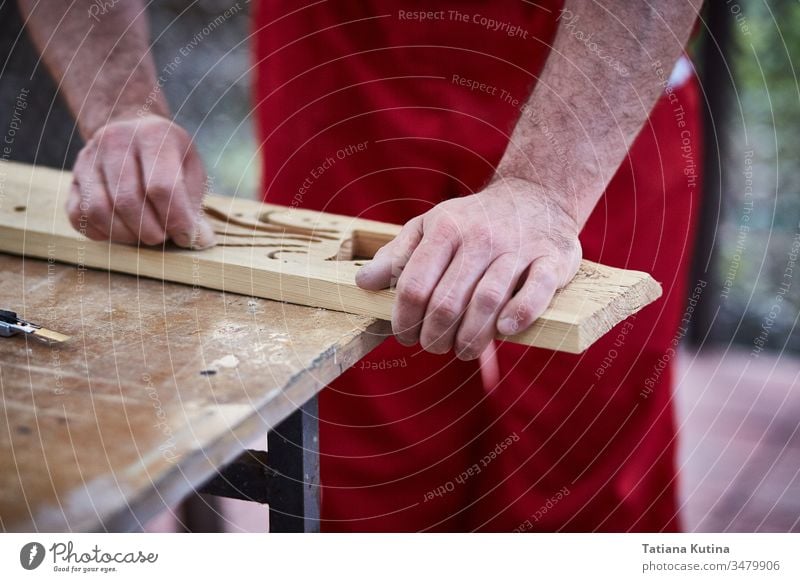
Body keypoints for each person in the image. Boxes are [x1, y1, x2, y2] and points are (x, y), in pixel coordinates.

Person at [20, 0, 704, 531]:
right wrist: (120, 109)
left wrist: (547, 189)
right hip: (337, 47)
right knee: (366, 455)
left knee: (587, 445)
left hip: (594, 53)